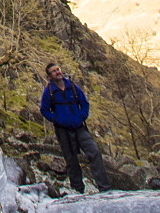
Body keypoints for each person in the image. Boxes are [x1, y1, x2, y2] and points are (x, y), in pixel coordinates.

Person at [39, 62, 111, 193]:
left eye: (58, 69)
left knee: (94, 152)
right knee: (71, 160)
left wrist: (81, 116)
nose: (58, 72)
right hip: (63, 130)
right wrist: (57, 119)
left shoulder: (72, 87)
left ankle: (104, 188)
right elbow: (44, 110)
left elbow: (84, 103)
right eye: (54, 71)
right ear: (49, 76)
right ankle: (78, 190)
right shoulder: (49, 92)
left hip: (79, 127)